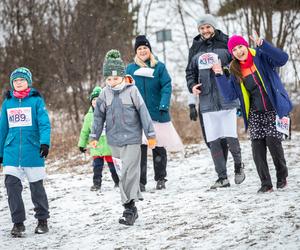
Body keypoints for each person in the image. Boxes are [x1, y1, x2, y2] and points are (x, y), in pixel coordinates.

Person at [214, 33, 292, 193]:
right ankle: (266, 184)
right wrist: (219, 75)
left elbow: (282, 59)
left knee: (272, 142)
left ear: (246, 46)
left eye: (240, 46)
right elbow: (229, 95)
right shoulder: (235, 69)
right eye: (234, 49)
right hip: (255, 113)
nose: (238, 51)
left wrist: (262, 44)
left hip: (273, 108)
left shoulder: (261, 56)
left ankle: (282, 176)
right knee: (257, 147)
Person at [90, 50, 156, 226]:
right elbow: (98, 117)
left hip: (133, 139)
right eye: (109, 79)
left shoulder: (132, 90)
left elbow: (144, 112)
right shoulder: (105, 93)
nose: (112, 82)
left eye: (115, 78)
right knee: (122, 174)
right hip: (114, 141)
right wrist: (94, 136)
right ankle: (131, 206)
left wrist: (150, 134)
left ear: (122, 76)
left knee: (129, 172)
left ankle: (129, 208)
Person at [186, 14, 245, 189]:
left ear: (214, 27)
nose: (205, 30)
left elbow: (238, 65)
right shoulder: (195, 47)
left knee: (231, 137)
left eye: (208, 27)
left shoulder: (226, 42)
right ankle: (222, 177)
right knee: (213, 141)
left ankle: (238, 166)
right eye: (202, 28)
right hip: (206, 101)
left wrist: (225, 71)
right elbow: (190, 71)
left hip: (226, 98)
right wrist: (192, 86)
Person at [126, 35, 183, 191]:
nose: (143, 50)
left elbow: (166, 85)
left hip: (157, 113)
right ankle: (141, 182)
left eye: (145, 48)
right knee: (140, 149)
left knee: (158, 147)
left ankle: (160, 178)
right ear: (136, 52)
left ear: (149, 50)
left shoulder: (159, 67)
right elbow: (126, 89)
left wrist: (163, 104)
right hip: (138, 115)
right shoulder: (130, 69)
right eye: (139, 48)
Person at [0, 67, 51, 237]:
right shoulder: (8, 102)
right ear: (12, 84)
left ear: (28, 82)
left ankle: (42, 220)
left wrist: (44, 143)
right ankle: (18, 223)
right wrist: (0, 152)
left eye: (22, 80)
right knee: (11, 186)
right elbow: (2, 129)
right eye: (15, 81)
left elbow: (44, 124)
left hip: (33, 151)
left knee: (37, 188)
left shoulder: (36, 101)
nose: (19, 83)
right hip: (12, 152)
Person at [78, 86, 119, 191]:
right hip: (96, 146)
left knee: (113, 167)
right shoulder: (88, 116)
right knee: (97, 167)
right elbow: (84, 132)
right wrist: (82, 144)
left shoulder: (109, 113)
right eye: (94, 100)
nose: (96, 102)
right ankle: (97, 184)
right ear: (91, 102)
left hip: (109, 145)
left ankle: (118, 182)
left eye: (99, 99)